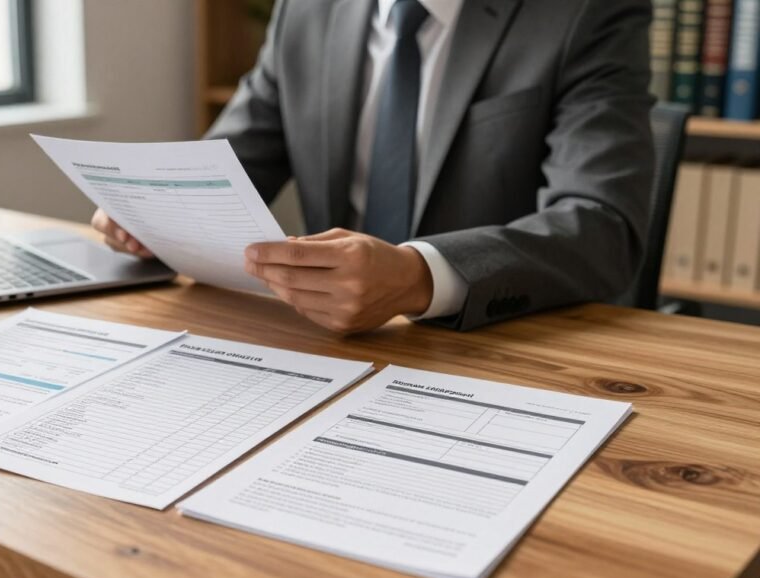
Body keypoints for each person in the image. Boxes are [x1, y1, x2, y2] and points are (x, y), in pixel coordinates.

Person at [93, 0, 655, 333]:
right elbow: (229, 167)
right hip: (331, 347)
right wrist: (149, 209)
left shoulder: (584, 13)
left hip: (499, 346)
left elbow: (601, 225)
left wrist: (419, 275)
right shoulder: (306, 11)